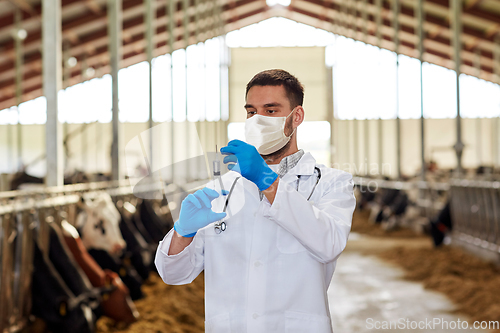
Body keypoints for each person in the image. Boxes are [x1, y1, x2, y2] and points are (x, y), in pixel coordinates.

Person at [155, 69, 356, 333]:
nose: (257, 120)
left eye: (270, 111)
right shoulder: (221, 190)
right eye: (251, 112)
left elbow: (329, 244)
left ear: (296, 117)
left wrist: (267, 181)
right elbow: (174, 275)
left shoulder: (330, 183)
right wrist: (183, 232)